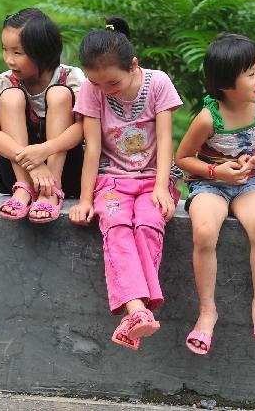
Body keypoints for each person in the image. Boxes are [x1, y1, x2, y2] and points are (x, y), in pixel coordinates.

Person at [67, 18, 183, 350]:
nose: (104, 90)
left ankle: (137, 315)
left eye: (112, 83)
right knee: (116, 225)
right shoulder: (92, 90)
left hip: (152, 179)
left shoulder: (158, 83)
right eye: (96, 83)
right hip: (112, 180)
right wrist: (86, 198)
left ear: (133, 65)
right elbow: (92, 149)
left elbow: (164, 140)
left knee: (148, 222)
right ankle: (138, 310)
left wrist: (161, 187)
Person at [175, 33, 255, 355]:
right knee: (205, 232)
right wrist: (216, 172)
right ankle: (207, 312)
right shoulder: (209, 117)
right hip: (210, 183)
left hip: (249, 182)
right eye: (250, 74)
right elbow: (182, 158)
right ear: (224, 82)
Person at [0, 8, 85, 223]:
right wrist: (34, 162)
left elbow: (83, 127)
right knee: (10, 98)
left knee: (59, 94)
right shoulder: (2, 83)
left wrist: (45, 150)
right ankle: (24, 190)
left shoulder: (71, 78)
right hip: (16, 173)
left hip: (67, 172)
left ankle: (50, 192)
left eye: (17, 53)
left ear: (43, 51)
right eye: (5, 50)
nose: (9, 60)